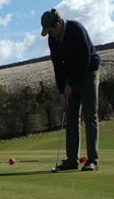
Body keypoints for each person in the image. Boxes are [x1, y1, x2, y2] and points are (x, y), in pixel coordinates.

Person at [41, 9, 101, 171]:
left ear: (58, 25)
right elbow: (57, 67)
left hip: (88, 73)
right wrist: (62, 92)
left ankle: (92, 160)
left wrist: (70, 85)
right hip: (70, 77)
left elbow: (85, 61)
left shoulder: (76, 30)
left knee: (89, 115)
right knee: (71, 116)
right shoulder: (53, 40)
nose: (50, 34)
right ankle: (72, 160)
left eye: (51, 30)